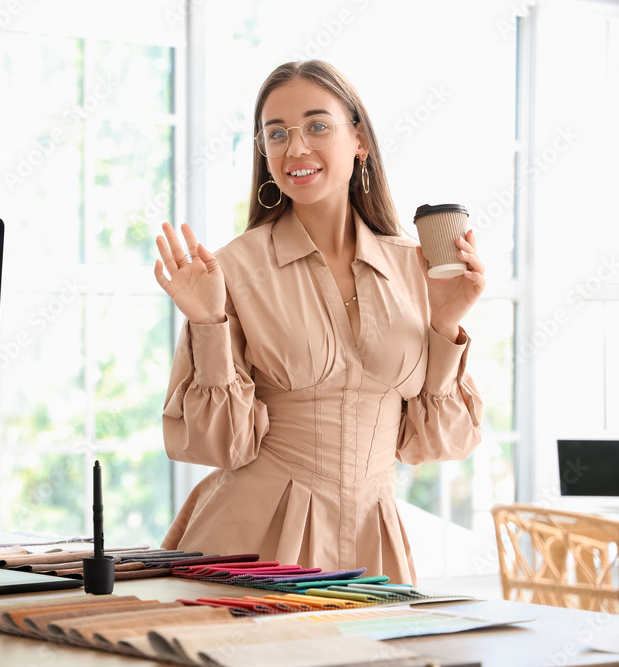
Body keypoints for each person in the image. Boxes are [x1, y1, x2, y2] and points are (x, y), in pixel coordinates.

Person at [152, 60, 485, 585]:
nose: (296, 148)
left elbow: (434, 444)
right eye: (276, 133)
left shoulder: (416, 267)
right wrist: (208, 321)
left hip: (374, 542)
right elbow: (220, 447)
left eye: (317, 125)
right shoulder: (230, 268)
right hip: (252, 544)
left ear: (360, 139)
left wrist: (445, 322)